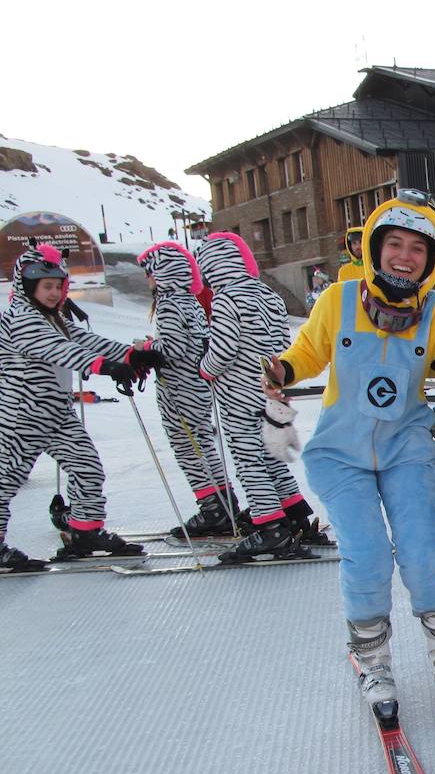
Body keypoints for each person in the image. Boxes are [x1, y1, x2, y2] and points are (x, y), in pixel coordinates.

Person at [263, 192, 435, 720]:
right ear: (376, 250)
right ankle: (372, 659)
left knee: (423, 549)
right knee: (367, 555)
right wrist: (282, 372)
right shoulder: (339, 298)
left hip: (405, 450)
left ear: (432, 258)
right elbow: (309, 350)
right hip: (342, 454)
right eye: (394, 244)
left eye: (417, 249)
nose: (404, 256)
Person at [0, 243, 155, 569]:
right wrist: (106, 367)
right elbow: (61, 351)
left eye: (59, 286)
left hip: (55, 415)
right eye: (47, 287)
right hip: (21, 416)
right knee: (5, 481)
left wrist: (130, 355)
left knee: (87, 467)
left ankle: (85, 532)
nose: (55, 293)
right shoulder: (20, 319)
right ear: (29, 287)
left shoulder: (52, 318)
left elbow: (84, 341)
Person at [195, 232, 320, 562]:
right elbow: (283, 345)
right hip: (271, 390)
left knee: (249, 460)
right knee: (272, 455)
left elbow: (222, 350)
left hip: (239, 394)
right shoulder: (269, 295)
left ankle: (270, 528)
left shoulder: (226, 300)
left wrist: (205, 368)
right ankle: (294, 513)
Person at [136, 241, 237, 536]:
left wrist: (146, 348)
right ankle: (223, 500)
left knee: (189, 448)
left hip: (179, 390)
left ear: (163, 271)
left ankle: (212, 508)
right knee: (203, 443)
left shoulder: (168, 304)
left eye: (149, 272)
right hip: (196, 386)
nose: (148, 279)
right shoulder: (189, 301)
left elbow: (174, 348)